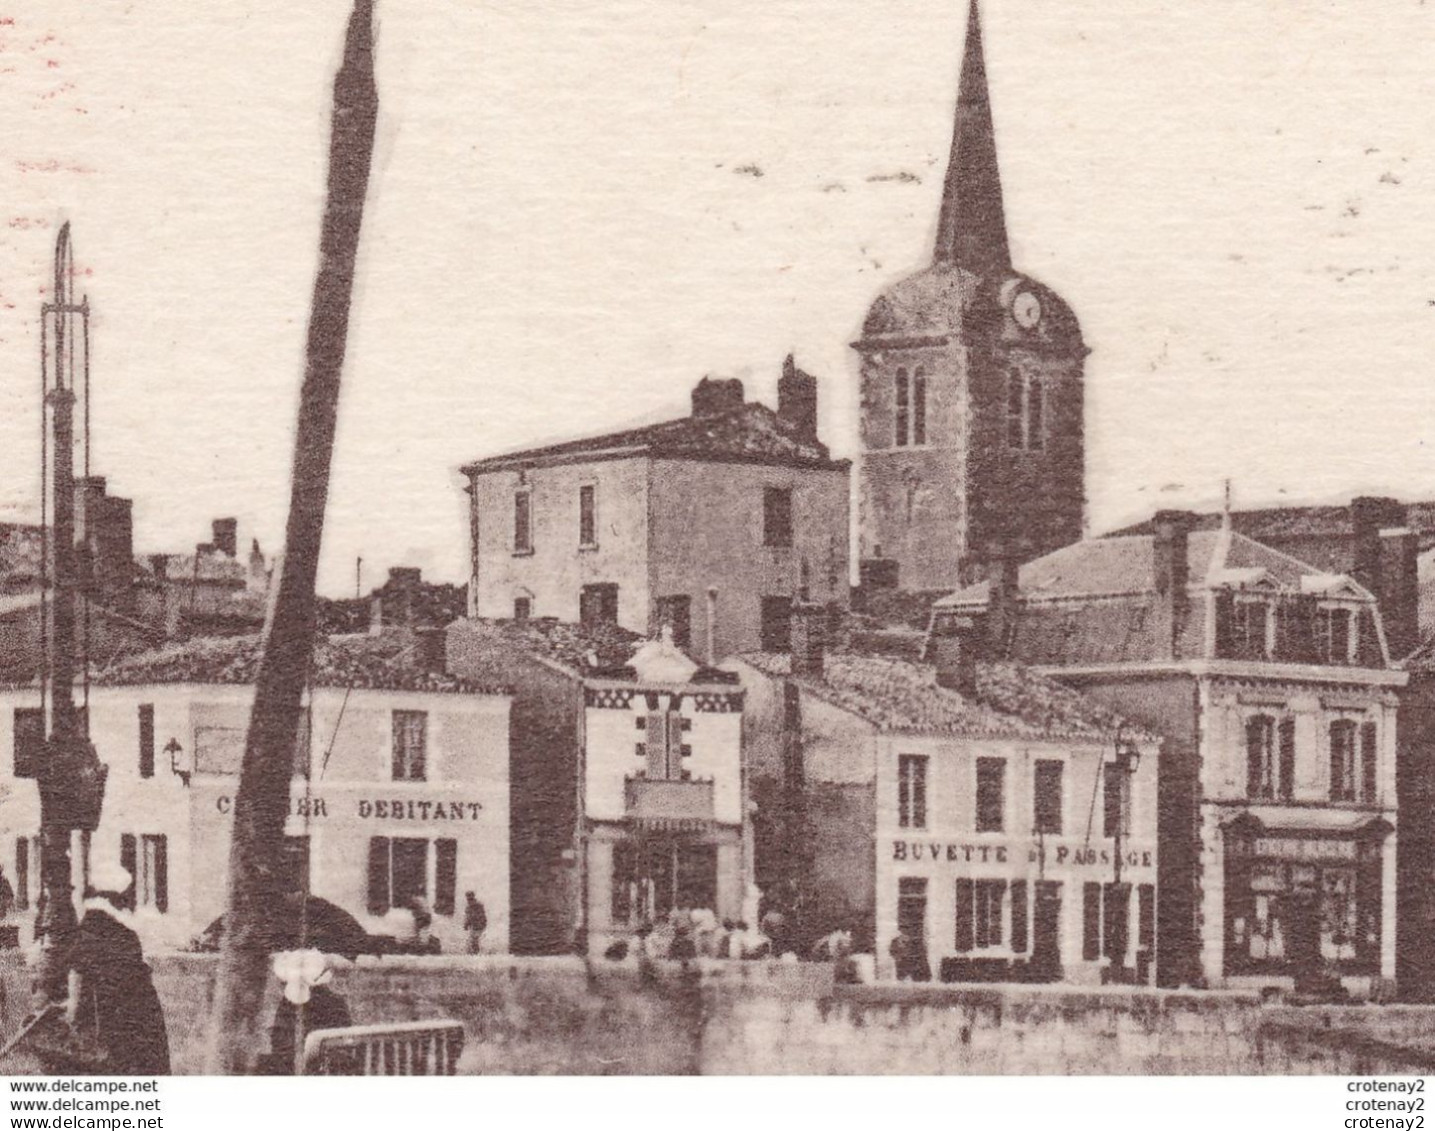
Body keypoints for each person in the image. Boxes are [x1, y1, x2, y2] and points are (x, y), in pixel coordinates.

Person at [64, 853, 170, 1075]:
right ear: (118, 895)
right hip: (137, 1008)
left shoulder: (94, 922)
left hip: (116, 1007)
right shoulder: (119, 926)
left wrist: (72, 1010)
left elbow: (77, 968)